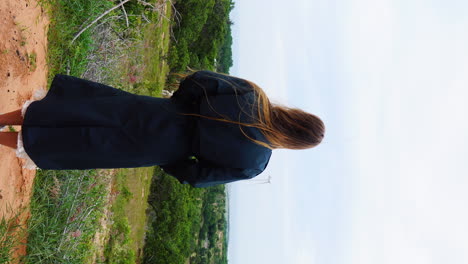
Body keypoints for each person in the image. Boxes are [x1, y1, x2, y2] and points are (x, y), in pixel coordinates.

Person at [0, 71, 325, 187]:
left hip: (156, 112)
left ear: (296, 115)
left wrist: (179, 105)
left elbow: (199, 81)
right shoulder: (255, 163)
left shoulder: (252, 96)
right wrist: (170, 157)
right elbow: (196, 176)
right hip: (152, 150)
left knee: (74, 110)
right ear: (294, 143)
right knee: (73, 143)